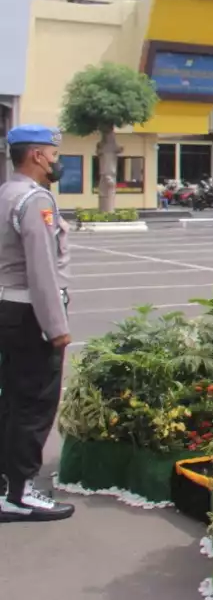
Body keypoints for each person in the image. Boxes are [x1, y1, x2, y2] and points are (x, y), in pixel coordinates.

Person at [0, 125, 75, 522]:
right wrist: (56, 326)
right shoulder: (34, 200)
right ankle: (21, 493)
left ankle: (7, 485)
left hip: (8, 309)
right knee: (34, 404)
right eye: (52, 153)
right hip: (32, 315)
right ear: (36, 157)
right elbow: (42, 269)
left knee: (11, 401)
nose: (55, 161)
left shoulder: (5, 192)